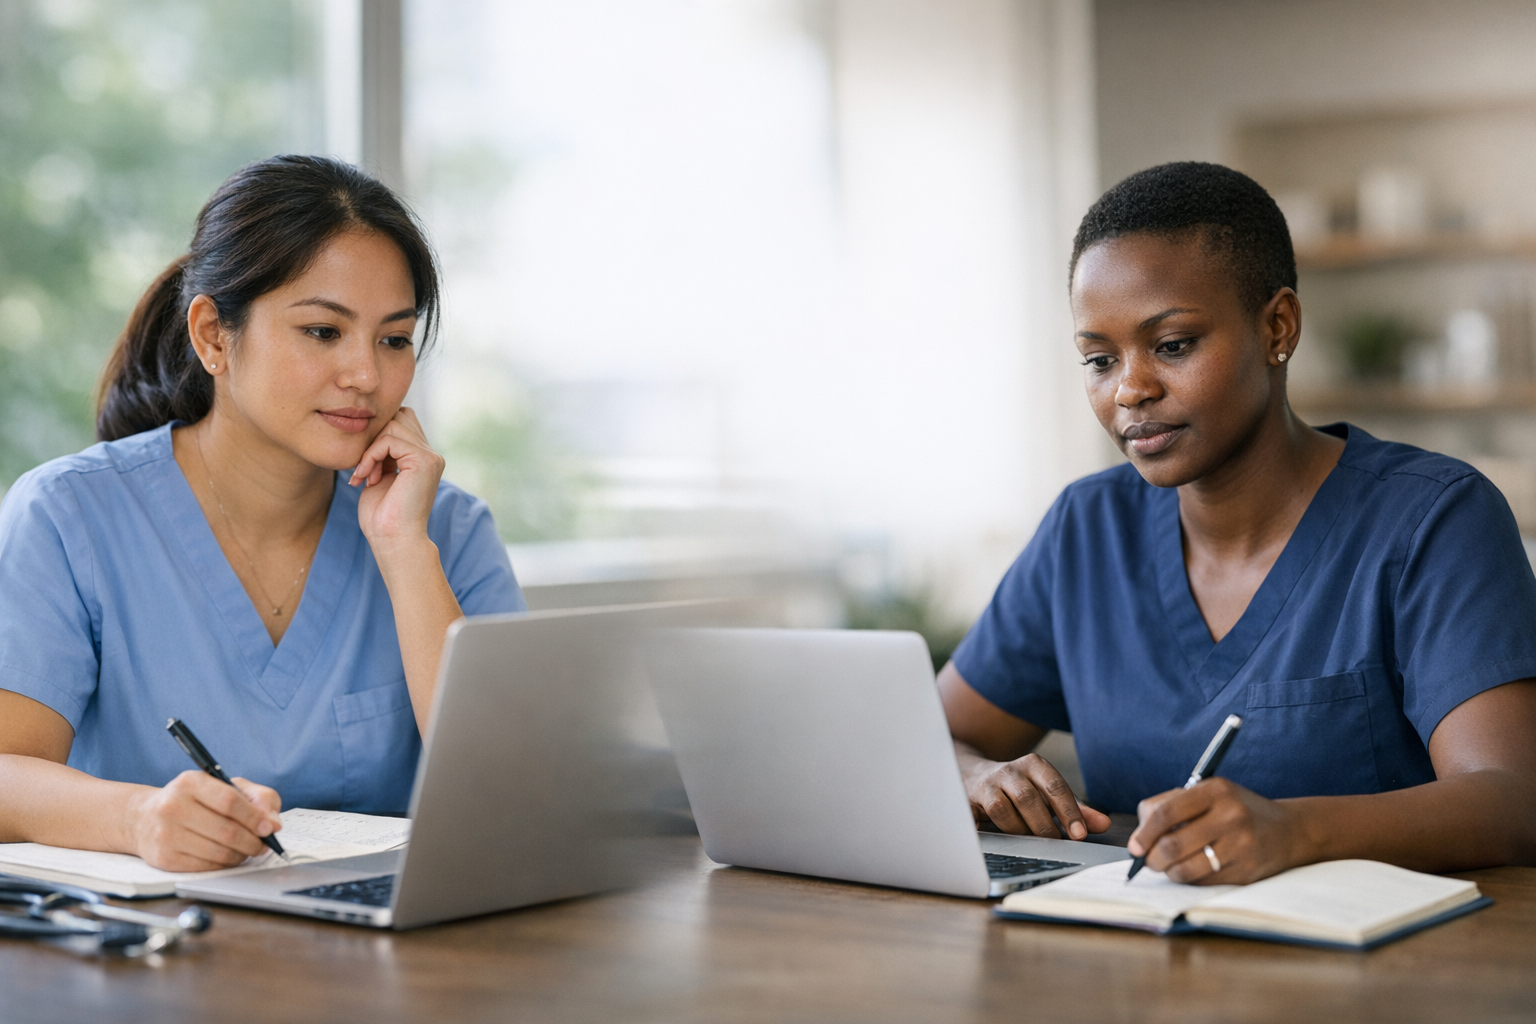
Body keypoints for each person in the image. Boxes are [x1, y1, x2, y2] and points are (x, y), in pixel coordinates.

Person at [940, 161, 1536, 884]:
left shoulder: (1433, 519)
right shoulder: (1087, 530)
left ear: (1277, 326)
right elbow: (942, 735)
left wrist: (1295, 829)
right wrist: (975, 777)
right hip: (1128, 966)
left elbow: (1512, 801)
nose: (1130, 387)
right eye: (1099, 358)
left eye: (1172, 345)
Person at [0, 155, 525, 872]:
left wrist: (405, 551)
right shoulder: (68, 516)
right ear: (214, 335)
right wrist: (139, 818)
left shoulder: (448, 531)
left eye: (394, 339)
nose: (366, 375)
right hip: (152, 953)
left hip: (388, 956)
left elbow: (513, 796)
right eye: (322, 331)